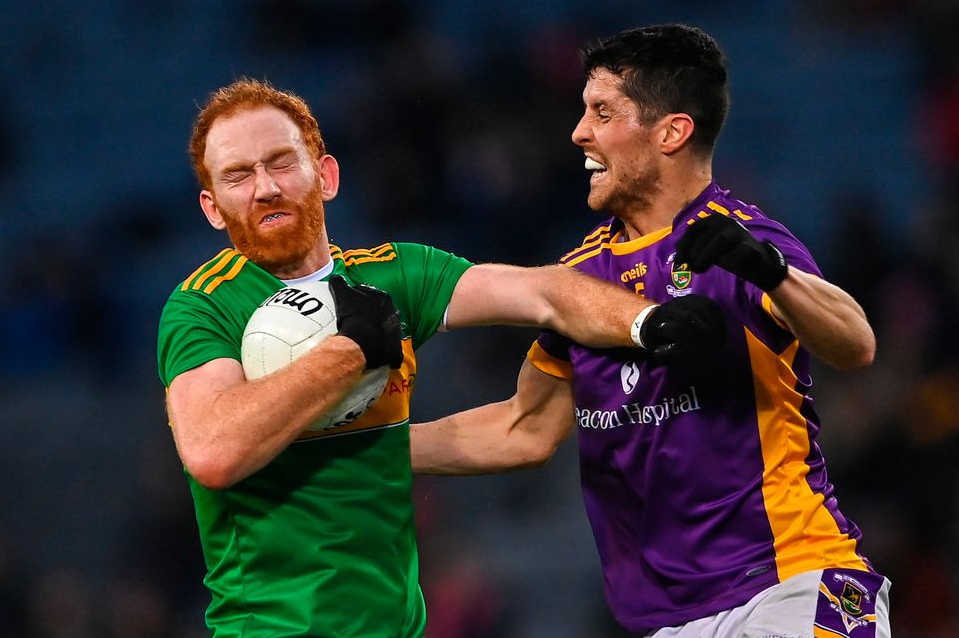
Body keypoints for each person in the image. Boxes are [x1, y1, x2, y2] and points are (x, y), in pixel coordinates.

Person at [155, 78, 725, 637]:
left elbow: (543, 292)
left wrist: (644, 321)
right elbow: (212, 451)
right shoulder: (203, 308)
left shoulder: (394, 274)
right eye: (237, 175)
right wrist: (347, 354)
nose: (265, 188)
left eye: (282, 162)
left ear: (325, 175)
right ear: (212, 207)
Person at [410, 24, 891, 638]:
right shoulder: (581, 279)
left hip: (791, 584)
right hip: (669, 623)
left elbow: (856, 343)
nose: (578, 132)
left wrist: (771, 273)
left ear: (671, 131)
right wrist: (363, 452)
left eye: (603, 112)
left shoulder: (740, 240)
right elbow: (522, 428)